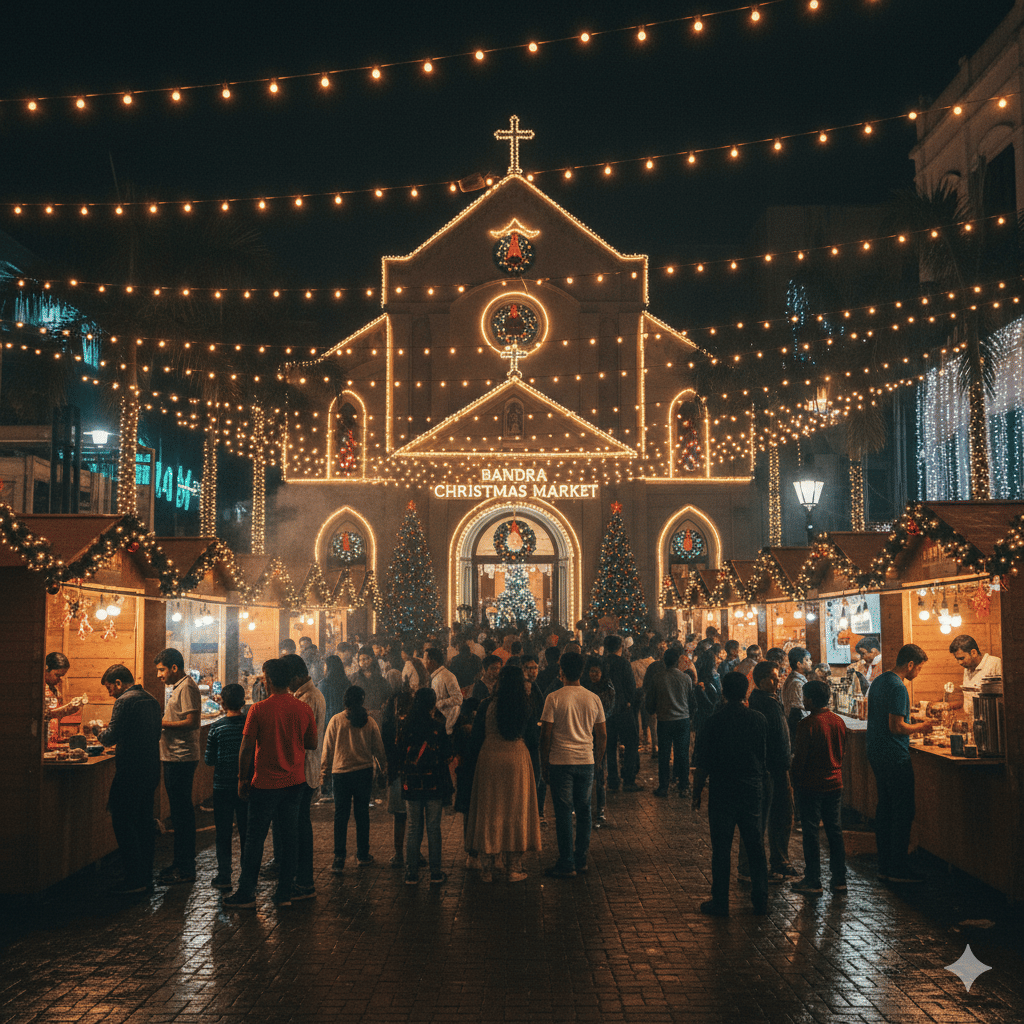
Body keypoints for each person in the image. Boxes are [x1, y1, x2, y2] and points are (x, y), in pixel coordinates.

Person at [223, 658, 317, 909]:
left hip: (264, 784)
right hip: (295, 782)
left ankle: (247, 892)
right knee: (289, 838)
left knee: (255, 839)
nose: (262, 681)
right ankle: (284, 893)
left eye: (264, 677)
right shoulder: (303, 708)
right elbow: (311, 743)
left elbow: (246, 747)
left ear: (271, 679)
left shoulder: (259, 709)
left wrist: (242, 778)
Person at [692, 671, 769, 916]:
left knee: (721, 847)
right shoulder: (758, 720)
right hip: (751, 787)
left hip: (722, 790)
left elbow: (702, 761)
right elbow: (764, 755)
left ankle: (720, 900)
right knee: (755, 845)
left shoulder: (713, 721)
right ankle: (760, 897)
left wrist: (696, 791)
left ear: (723, 691)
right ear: (745, 691)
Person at [465, 663, 541, 882]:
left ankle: (487, 868)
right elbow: (533, 739)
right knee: (516, 812)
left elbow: (476, 737)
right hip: (517, 759)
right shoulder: (525, 706)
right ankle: (512, 868)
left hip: (489, 758)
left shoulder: (487, 705)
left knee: (490, 810)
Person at [866, 644, 933, 884]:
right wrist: (922, 727)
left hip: (875, 751)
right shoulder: (898, 687)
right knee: (903, 811)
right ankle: (898, 868)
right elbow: (896, 727)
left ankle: (885, 865)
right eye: (920, 668)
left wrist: (910, 718)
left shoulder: (880, 681)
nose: (919, 673)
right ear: (911, 664)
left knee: (885, 808)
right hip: (894, 755)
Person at [96, 664, 162, 895]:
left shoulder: (124, 701)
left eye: (109, 688)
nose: (109, 693)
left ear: (117, 683)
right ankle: (145, 874)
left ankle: (134, 877)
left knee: (122, 820)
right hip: (151, 768)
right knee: (144, 822)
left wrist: (97, 731)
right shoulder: (151, 699)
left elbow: (110, 737)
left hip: (131, 769)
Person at [540, 651, 607, 879]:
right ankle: (581, 859)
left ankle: (566, 862)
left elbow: (545, 734)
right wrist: (597, 760)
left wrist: (544, 762)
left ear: (561, 671)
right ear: (582, 671)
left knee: (564, 813)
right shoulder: (592, 698)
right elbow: (602, 734)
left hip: (560, 761)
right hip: (585, 760)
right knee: (585, 811)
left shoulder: (554, 698)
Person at [740, 660, 799, 881]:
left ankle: (766, 864)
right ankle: (774, 864)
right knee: (777, 816)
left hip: (768, 767)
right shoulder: (767, 704)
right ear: (762, 680)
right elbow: (780, 741)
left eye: (778, 676)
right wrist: (786, 763)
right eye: (773, 678)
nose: (777, 681)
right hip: (774, 769)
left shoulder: (761, 700)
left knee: (764, 818)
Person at [791, 677, 848, 896]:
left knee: (811, 832)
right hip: (835, 783)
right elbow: (842, 751)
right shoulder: (838, 721)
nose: (803, 700)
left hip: (811, 785)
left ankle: (813, 879)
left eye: (805, 697)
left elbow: (801, 758)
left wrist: (795, 781)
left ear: (812, 700)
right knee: (835, 830)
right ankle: (839, 878)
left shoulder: (807, 724)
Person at [322, 685, 386, 874]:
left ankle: (339, 858)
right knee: (362, 814)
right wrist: (384, 770)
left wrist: (323, 775)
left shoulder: (336, 721)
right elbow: (379, 749)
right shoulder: (369, 722)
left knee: (340, 816)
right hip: (363, 773)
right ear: (362, 700)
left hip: (340, 773)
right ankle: (362, 855)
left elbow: (327, 750)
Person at [398, 687, 452, 885]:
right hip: (434, 783)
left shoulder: (406, 726)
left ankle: (411, 873)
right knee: (433, 828)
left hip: (411, 783)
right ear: (432, 703)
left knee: (413, 827)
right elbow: (447, 755)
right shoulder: (437, 727)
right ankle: (435, 872)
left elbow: (400, 752)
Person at [156, 648, 200, 885]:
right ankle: (181, 863)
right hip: (174, 757)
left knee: (182, 815)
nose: (159, 675)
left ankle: (185, 868)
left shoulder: (187, 687)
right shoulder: (179, 687)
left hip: (181, 758)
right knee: (179, 813)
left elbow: (192, 722)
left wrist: (160, 723)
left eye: (161, 669)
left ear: (174, 667)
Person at [285, 653, 326, 901]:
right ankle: (301, 878)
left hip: (304, 769)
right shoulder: (307, 696)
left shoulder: (308, 699)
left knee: (300, 828)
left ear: (298, 676)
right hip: (305, 768)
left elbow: (303, 739)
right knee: (300, 826)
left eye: (289, 679)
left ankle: (304, 880)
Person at [204, 682, 249, 892]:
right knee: (246, 831)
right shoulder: (249, 725)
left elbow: (209, 759)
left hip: (221, 785)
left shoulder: (216, 727)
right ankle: (247, 875)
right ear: (243, 702)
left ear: (222, 703)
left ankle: (224, 875)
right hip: (246, 785)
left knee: (223, 832)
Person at [645, 647, 706, 798]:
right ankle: (684, 786)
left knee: (664, 755)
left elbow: (651, 701)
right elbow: (692, 702)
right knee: (682, 754)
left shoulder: (658, 678)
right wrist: (689, 715)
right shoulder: (686, 678)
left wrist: (652, 710)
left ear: (664, 661)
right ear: (677, 661)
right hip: (682, 721)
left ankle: (664, 786)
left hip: (664, 721)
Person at [603, 635, 642, 792]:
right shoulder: (624, 664)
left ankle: (613, 779)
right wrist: (630, 701)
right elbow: (631, 686)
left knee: (610, 746)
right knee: (631, 743)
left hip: (606, 711)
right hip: (623, 709)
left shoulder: (602, 663)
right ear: (620, 647)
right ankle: (629, 778)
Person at [318, 654, 350, 802]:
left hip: (327, 723)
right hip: (344, 722)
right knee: (342, 754)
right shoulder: (346, 682)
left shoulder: (323, 684)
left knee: (328, 755)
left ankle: (328, 787)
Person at [948, 634, 1002, 719]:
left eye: (962, 658)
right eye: (957, 659)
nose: (960, 663)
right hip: (972, 721)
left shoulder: (995, 663)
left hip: (992, 721)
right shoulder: (967, 667)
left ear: (973, 652)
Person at [43, 652, 82, 746]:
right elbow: (43, 715)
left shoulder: (56, 691)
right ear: (46, 669)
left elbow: (56, 716)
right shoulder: (39, 689)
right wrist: (66, 709)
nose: (59, 679)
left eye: (61, 676)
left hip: (53, 740)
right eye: (57, 675)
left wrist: (71, 709)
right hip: (41, 740)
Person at [425, 646, 463, 734]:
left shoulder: (448, 676)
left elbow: (458, 698)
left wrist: (440, 703)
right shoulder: (434, 677)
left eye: (426, 660)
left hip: (447, 723)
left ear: (433, 662)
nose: (424, 663)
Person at [352, 645, 390, 720]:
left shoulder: (380, 680)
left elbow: (387, 696)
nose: (363, 662)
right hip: (358, 717)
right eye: (360, 660)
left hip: (375, 717)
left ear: (372, 659)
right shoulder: (353, 678)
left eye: (366, 659)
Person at [782, 647, 812, 733]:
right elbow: (799, 710)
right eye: (807, 660)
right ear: (799, 664)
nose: (811, 662)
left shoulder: (795, 679)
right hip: (799, 727)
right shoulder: (796, 683)